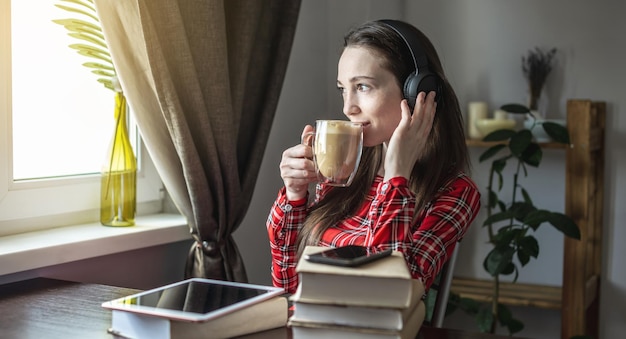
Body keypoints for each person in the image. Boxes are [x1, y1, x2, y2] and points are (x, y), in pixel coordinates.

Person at [266, 19, 481, 295]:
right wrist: (295, 196)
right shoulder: (344, 169)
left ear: (416, 93)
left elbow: (388, 292)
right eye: (343, 89)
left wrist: (397, 176)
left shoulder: (456, 193)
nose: (348, 108)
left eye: (363, 87)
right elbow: (288, 290)